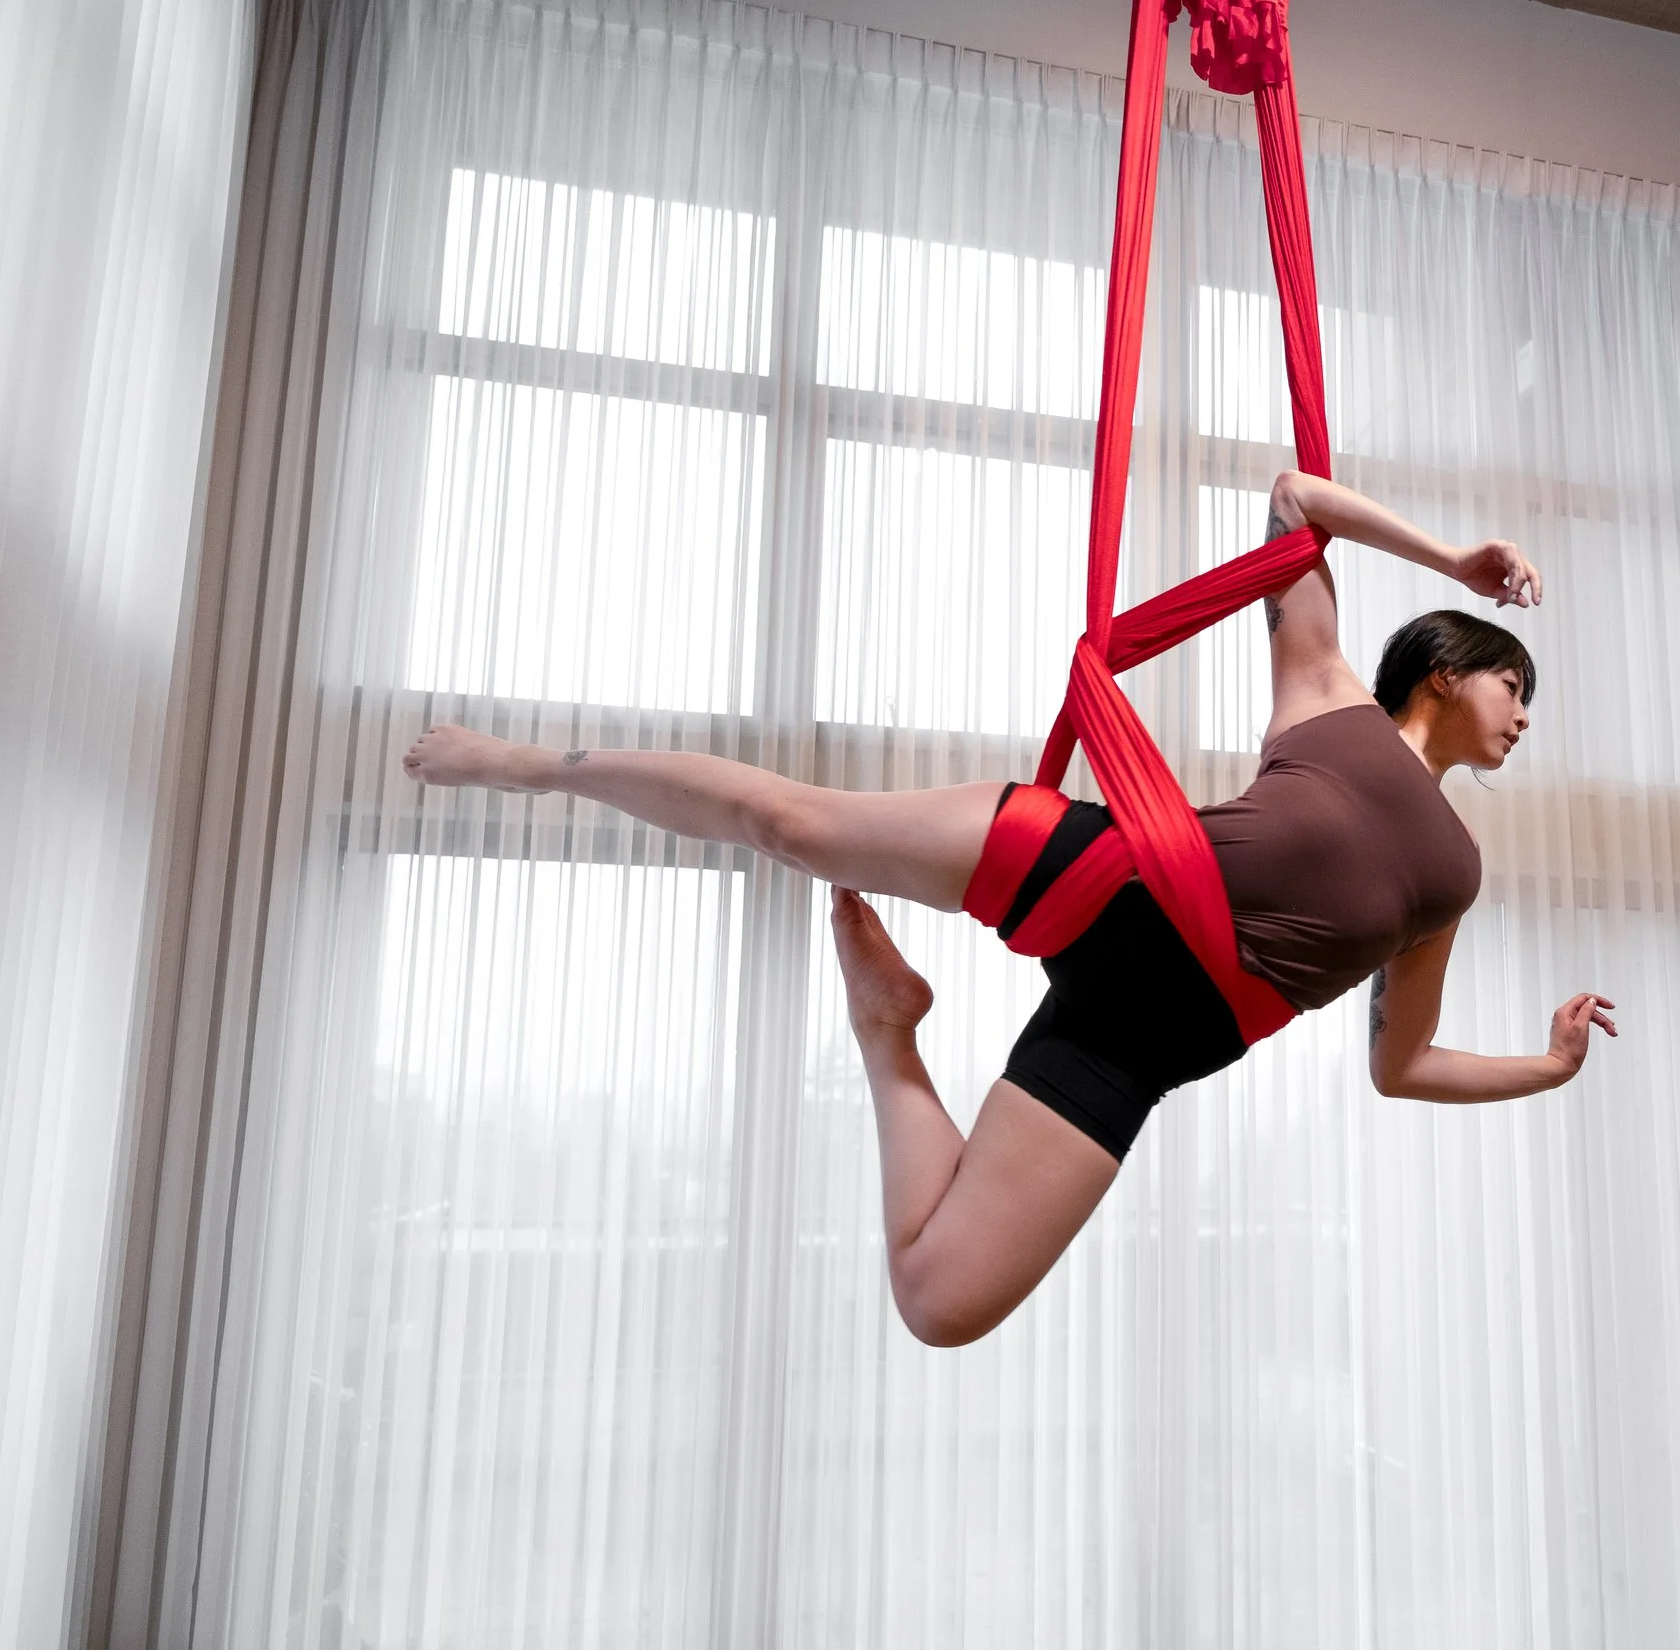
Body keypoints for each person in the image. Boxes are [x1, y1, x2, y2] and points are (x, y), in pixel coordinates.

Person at [403, 471, 1615, 1346]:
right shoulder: (1329, 696)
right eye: (1517, 684)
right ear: (1448, 667)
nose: (1524, 714)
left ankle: (890, 1026)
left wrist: (1546, 1066)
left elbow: (1400, 1065)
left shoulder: (1453, 867)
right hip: (1109, 876)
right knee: (794, 821)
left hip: (1139, 1039)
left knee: (937, 1299)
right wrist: (1454, 556)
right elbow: (1292, 499)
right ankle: (524, 763)